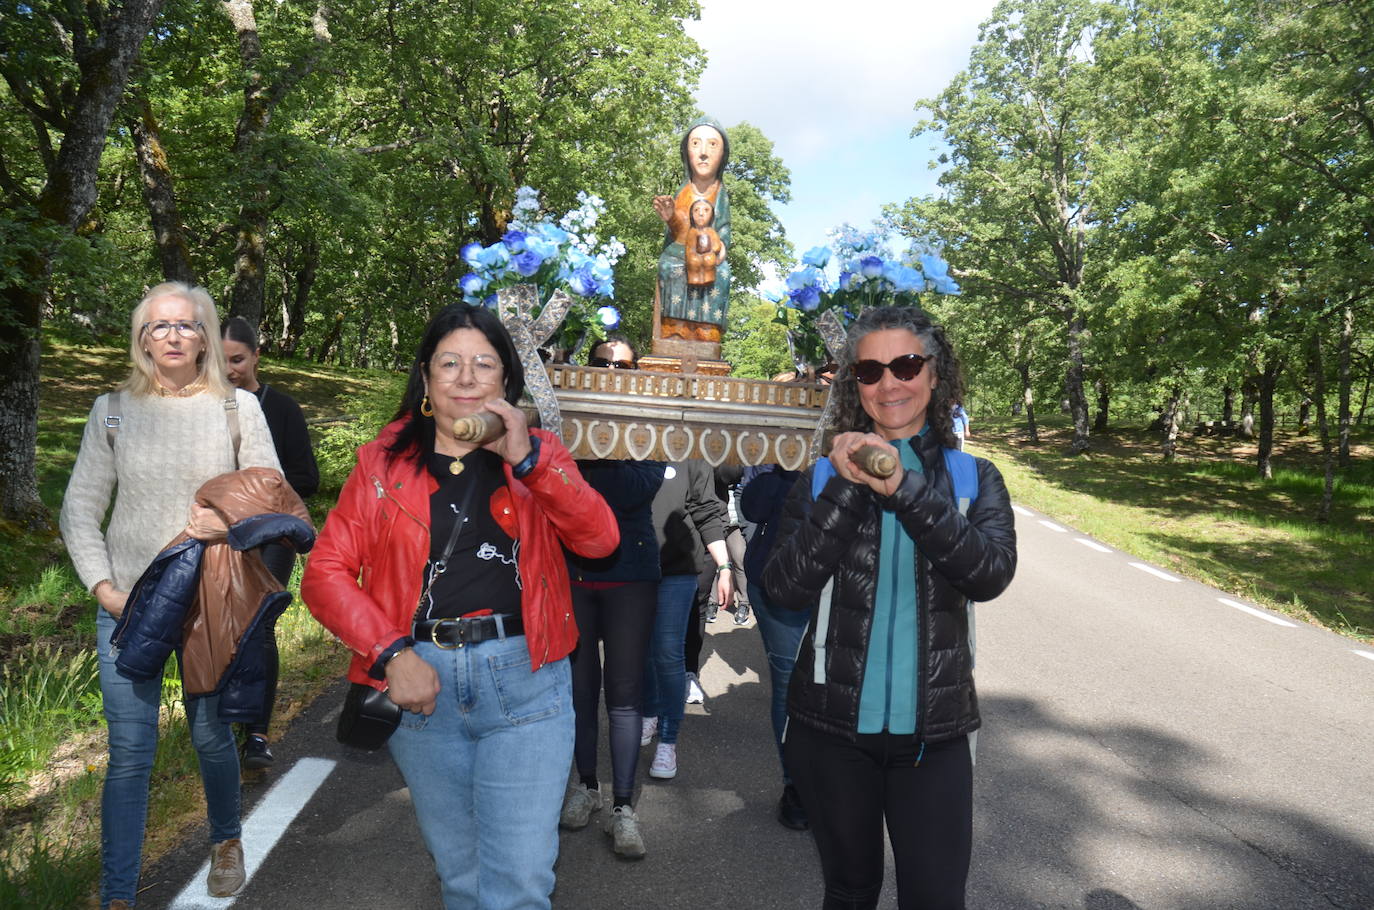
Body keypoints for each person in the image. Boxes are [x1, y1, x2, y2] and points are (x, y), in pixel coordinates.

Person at [301, 303, 617, 910]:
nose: (466, 377)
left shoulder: (540, 454)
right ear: (425, 378)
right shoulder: (382, 462)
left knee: (519, 883)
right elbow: (325, 572)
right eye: (450, 363)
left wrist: (529, 463)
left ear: (507, 380)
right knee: (462, 880)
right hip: (420, 683)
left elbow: (600, 541)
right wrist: (391, 654)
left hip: (527, 679)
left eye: (484, 364)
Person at [763, 305, 1017, 909]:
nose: (888, 384)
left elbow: (988, 574)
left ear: (934, 374)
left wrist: (904, 488)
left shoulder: (974, 477)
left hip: (934, 733)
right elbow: (784, 589)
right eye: (869, 371)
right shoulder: (823, 479)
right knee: (850, 892)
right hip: (831, 731)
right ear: (855, 385)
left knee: (935, 898)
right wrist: (850, 486)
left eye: (905, 365)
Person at [60, 282, 283, 909]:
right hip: (126, 606)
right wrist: (104, 588)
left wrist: (227, 524)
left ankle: (226, 839)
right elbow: (79, 510)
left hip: (209, 603)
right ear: (142, 339)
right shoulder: (110, 410)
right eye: (159, 326)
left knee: (211, 737)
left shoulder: (238, 408)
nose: (173, 336)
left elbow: (271, 493)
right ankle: (118, 895)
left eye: (186, 325)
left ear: (206, 337)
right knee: (130, 753)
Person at [561, 337, 663, 858]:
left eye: (623, 365)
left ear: (637, 371)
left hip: (631, 575)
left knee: (624, 693)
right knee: (580, 690)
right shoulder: (563, 418)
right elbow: (555, 487)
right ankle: (586, 786)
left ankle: (623, 807)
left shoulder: (652, 421)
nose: (613, 371)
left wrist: (585, 461)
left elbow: (633, 490)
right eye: (603, 363)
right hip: (573, 573)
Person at [221, 315, 319, 770]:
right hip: (216, 532)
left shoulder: (281, 408)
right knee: (218, 625)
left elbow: (307, 478)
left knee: (258, 625)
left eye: (238, 360)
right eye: (220, 361)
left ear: (257, 357)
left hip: (272, 533)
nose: (229, 370)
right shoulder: (201, 409)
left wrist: (257, 489)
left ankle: (256, 734)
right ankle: (220, 723)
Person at [641, 459, 731, 780]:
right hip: (632, 567)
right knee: (641, 652)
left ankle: (668, 740)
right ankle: (649, 711)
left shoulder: (691, 454)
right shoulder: (626, 444)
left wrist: (724, 567)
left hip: (676, 571)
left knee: (668, 654)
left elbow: (706, 510)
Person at [738, 461, 810, 830]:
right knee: (789, 684)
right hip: (779, 585)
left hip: (846, 586)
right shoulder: (778, 463)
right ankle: (796, 786)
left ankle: (835, 784)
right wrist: (783, 467)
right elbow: (752, 508)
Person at [652, 116, 732, 348]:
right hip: (678, 253)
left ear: (722, 155)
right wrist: (671, 217)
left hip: (708, 256)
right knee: (669, 267)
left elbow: (724, 229)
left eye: (712, 145)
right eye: (696, 144)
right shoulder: (684, 191)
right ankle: (672, 331)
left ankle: (707, 333)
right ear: (686, 152)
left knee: (722, 273)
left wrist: (718, 249)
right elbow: (677, 230)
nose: (703, 153)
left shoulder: (720, 194)